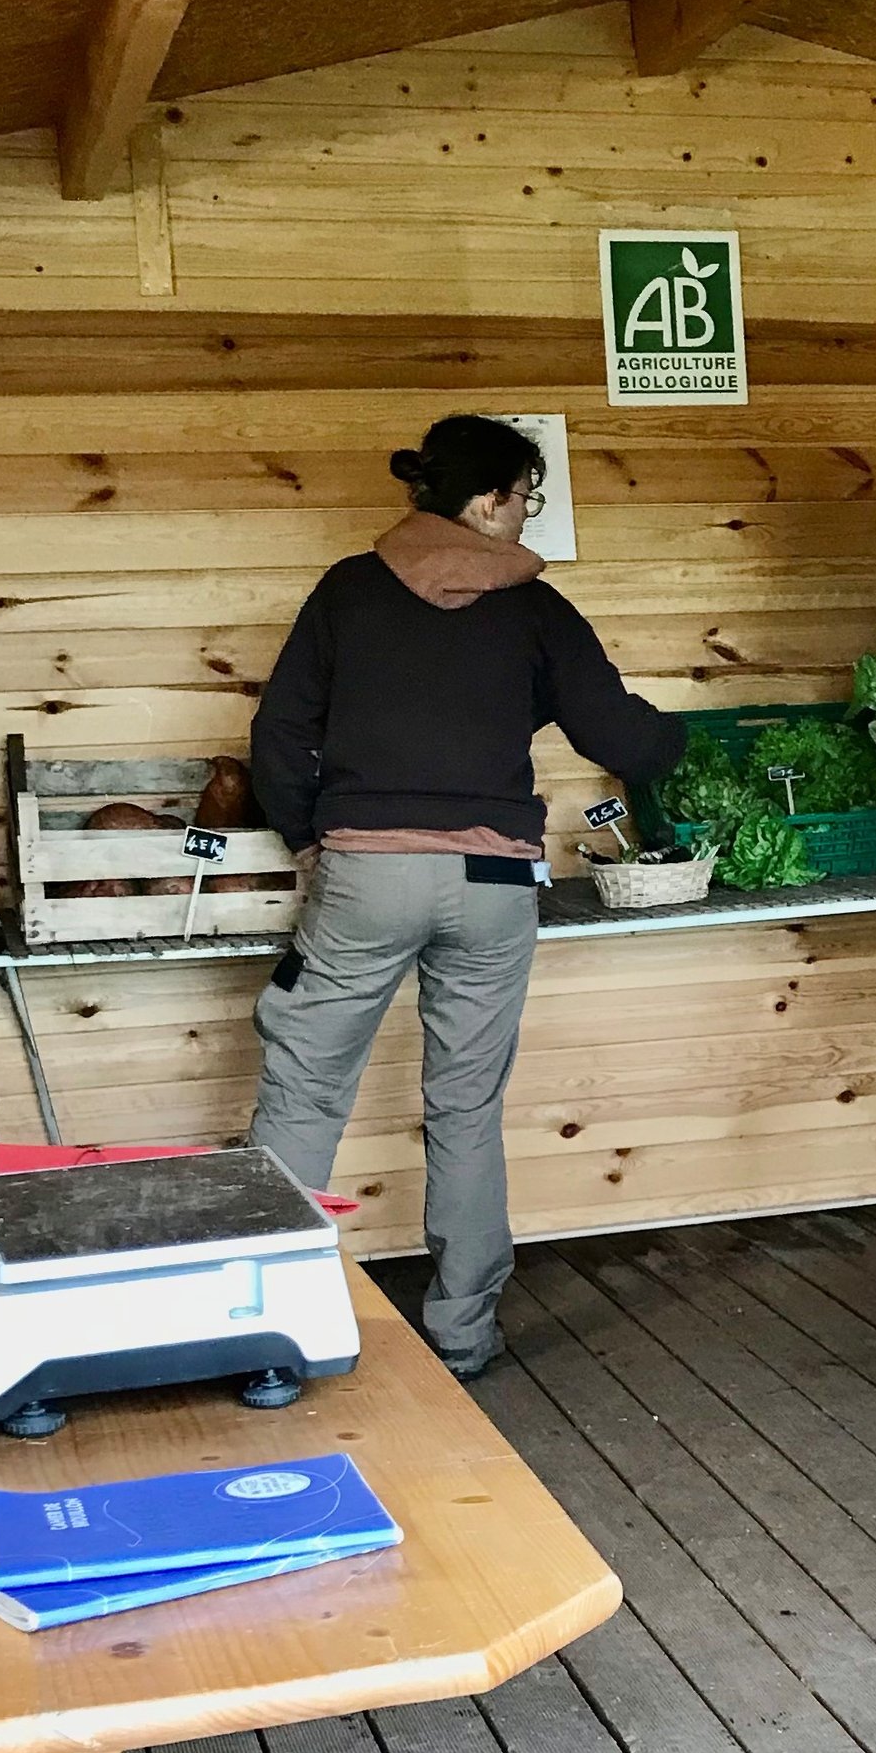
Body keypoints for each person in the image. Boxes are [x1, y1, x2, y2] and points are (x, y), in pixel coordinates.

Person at [247, 415, 683, 1377]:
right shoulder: (538, 610)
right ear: (485, 500)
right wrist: (678, 740)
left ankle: (268, 1331)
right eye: (526, 496)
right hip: (494, 882)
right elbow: (621, 732)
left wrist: (309, 839)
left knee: (305, 1091)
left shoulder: (347, 592)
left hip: (366, 874)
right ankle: (463, 1330)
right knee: (465, 1102)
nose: (529, 515)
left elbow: (279, 735)